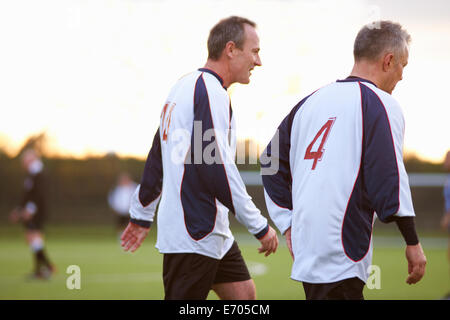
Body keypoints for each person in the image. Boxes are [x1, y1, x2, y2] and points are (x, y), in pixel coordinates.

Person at [260, 21, 426, 300]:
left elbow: (269, 162)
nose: (401, 76)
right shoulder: (381, 104)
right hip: (343, 249)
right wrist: (412, 241)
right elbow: (390, 176)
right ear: (388, 60)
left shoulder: (309, 102)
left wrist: (289, 223)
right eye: (402, 66)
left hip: (308, 246)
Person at [120, 16, 278, 300]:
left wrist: (142, 214)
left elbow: (157, 155)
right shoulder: (210, 90)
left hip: (212, 232)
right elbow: (216, 166)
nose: (258, 61)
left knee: (244, 295)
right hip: (193, 234)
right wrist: (259, 224)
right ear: (231, 49)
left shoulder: (183, 86)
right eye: (254, 51)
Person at [9, 148, 55, 279]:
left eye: (24, 160)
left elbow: (39, 194)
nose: (23, 163)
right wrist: (18, 210)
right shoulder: (32, 174)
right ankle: (43, 268)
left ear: (32, 159)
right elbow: (27, 195)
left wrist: (30, 209)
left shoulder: (39, 173)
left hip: (37, 212)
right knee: (33, 238)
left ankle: (45, 268)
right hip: (32, 211)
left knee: (33, 237)